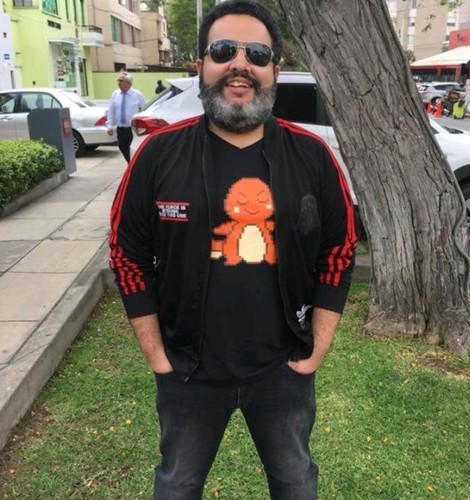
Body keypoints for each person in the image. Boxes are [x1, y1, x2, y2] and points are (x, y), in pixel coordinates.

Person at [109, 1, 357, 498]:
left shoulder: (312, 155)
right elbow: (126, 254)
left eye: (257, 54)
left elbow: (339, 250)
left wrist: (318, 346)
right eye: (223, 51)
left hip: (283, 370)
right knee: (177, 485)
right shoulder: (158, 155)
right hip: (188, 372)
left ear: (275, 70)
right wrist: (157, 355)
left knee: (295, 483)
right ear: (200, 64)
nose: (240, 65)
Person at [106, 71, 145, 162]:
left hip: (133, 129)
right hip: (121, 129)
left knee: (134, 151)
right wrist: (109, 125)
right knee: (122, 148)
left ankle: (132, 166)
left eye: (121, 81)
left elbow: (144, 111)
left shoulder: (137, 95)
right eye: (118, 81)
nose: (119, 83)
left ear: (128, 83)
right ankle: (130, 164)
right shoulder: (115, 94)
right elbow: (111, 111)